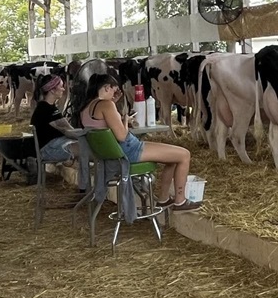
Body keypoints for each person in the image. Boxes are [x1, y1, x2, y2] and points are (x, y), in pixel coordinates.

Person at [82, 73, 202, 212]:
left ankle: (163, 199)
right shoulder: (106, 105)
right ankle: (180, 201)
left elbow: (105, 127)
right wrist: (125, 120)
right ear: (107, 87)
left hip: (112, 155)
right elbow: (121, 136)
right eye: (115, 90)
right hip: (128, 150)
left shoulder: (86, 108)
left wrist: (117, 111)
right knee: (184, 155)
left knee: (172, 158)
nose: (115, 95)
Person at [30, 74, 78, 164]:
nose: (63, 89)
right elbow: (67, 130)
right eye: (61, 87)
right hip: (48, 149)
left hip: (56, 144)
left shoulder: (48, 107)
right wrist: (87, 136)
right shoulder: (46, 109)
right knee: (85, 147)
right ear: (52, 90)